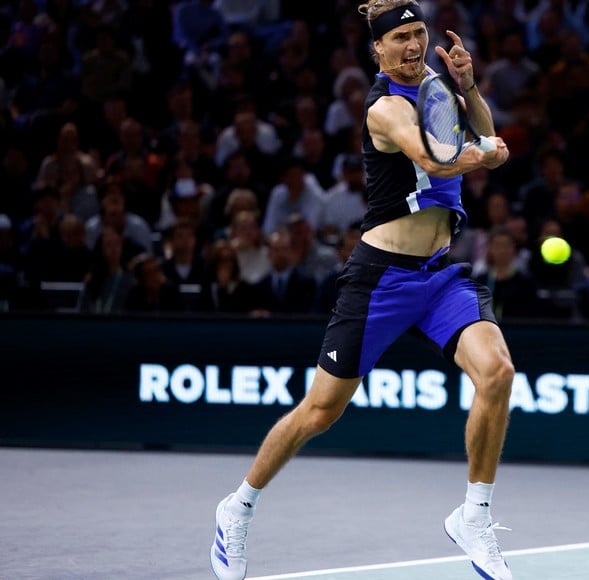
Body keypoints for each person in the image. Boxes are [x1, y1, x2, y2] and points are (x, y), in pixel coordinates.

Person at [209, 3, 512, 580]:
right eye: (400, 37)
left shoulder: (437, 86)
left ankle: (474, 515)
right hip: (381, 279)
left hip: (440, 274)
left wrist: (470, 89)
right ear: (377, 49)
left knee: (497, 373)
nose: (414, 44)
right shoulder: (386, 108)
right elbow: (437, 159)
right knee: (321, 411)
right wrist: (487, 154)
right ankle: (238, 507)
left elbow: (483, 129)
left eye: (419, 32)